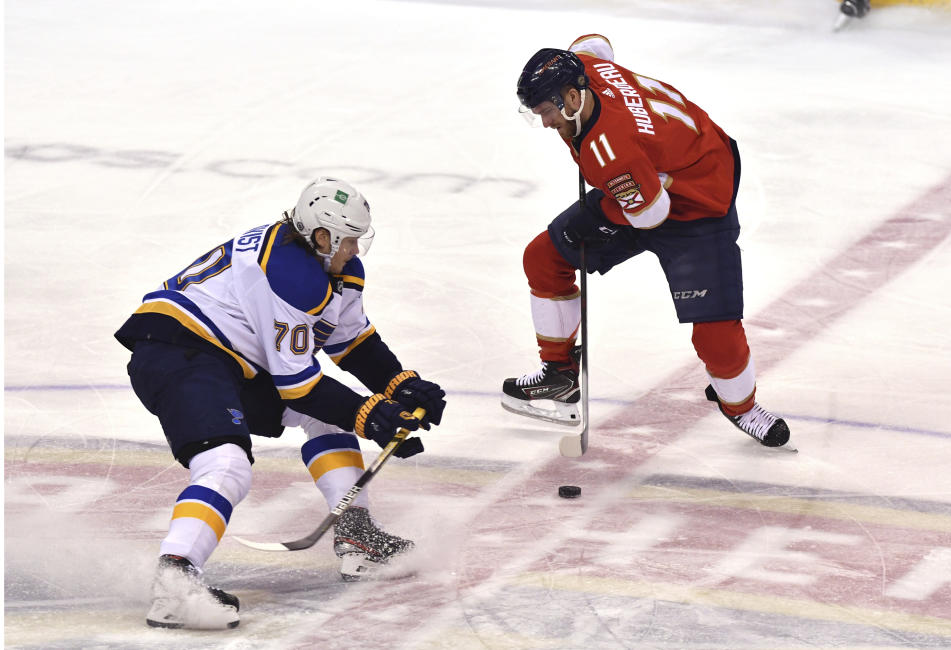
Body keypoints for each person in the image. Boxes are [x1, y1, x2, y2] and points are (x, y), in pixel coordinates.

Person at [115, 177, 446, 629]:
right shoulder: (291, 275)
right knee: (226, 464)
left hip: (231, 359)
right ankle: (174, 578)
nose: (355, 250)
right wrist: (374, 417)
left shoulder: (329, 268)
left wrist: (401, 386)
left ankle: (357, 536)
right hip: (179, 350)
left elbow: (352, 342)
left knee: (328, 419)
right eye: (347, 240)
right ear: (321, 236)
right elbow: (299, 387)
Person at [502, 34, 790, 448]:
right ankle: (559, 375)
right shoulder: (587, 70)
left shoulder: (611, 151)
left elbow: (651, 213)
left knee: (716, 331)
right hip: (657, 173)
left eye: (547, 111)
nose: (546, 123)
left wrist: (597, 219)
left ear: (571, 95)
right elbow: (595, 44)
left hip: (698, 203)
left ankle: (742, 408)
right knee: (543, 259)